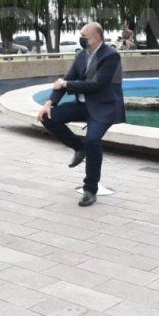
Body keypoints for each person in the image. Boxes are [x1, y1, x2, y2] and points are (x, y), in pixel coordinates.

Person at [36, 22, 125, 207]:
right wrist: (49, 103)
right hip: (83, 106)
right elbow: (67, 79)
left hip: (102, 107)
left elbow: (96, 84)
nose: (81, 39)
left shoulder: (111, 56)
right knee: (47, 117)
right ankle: (79, 147)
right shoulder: (81, 56)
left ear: (98, 37)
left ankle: (90, 190)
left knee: (93, 140)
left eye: (85, 36)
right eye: (81, 36)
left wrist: (66, 85)